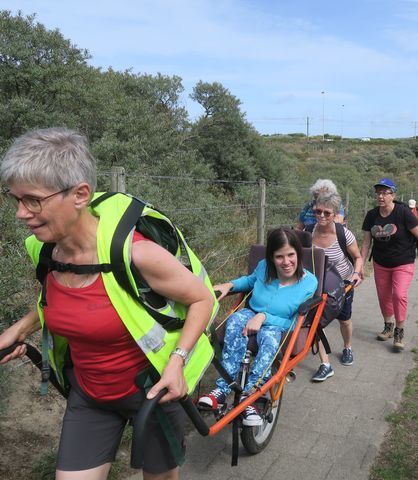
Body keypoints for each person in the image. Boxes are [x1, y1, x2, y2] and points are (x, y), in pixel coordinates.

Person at [0, 128, 216, 480]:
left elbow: (202, 299)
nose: (21, 214)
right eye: (16, 200)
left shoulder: (136, 253)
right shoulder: (44, 250)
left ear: (80, 194)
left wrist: (178, 362)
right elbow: (59, 302)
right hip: (88, 395)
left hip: (153, 392)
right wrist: (21, 328)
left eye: (33, 200)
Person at [198, 228, 317, 424]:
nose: (286, 262)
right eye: (279, 257)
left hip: (279, 323)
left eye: (291, 255)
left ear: (298, 253)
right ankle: (223, 388)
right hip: (250, 313)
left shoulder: (308, 282)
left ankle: (251, 396)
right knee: (235, 320)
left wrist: (263, 316)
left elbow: (293, 320)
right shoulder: (263, 267)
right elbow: (248, 281)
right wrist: (230, 285)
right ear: (271, 257)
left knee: (269, 340)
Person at [360, 178, 418, 352]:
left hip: (403, 262)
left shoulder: (403, 213)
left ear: (393, 195)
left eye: (384, 193)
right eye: (378, 192)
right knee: (384, 296)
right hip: (381, 262)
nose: (380, 196)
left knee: (399, 295)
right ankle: (388, 325)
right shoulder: (372, 215)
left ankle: (399, 331)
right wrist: (360, 266)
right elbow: (366, 243)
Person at [307, 192, 364, 382]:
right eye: (318, 211)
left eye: (327, 213)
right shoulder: (308, 233)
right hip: (316, 287)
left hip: (343, 286)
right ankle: (325, 364)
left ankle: (347, 347)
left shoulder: (343, 234)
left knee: (344, 320)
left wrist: (356, 273)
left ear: (335, 214)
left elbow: (357, 257)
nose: (321, 216)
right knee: (314, 323)